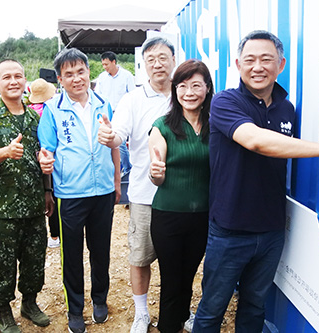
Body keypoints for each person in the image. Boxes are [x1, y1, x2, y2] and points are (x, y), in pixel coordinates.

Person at [192, 30, 319, 332]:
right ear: (237, 64)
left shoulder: (287, 109)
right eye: (250, 60)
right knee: (212, 309)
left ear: (281, 64)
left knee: (255, 306)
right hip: (229, 230)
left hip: (271, 231)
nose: (257, 67)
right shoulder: (223, 102)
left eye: (266, 59)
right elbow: (256, 141)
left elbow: (283, 151)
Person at [38, 48, 121, 333]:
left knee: (101, 251)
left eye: (81, 72)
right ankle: (75, 309)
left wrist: (117, 183)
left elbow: (113, 144)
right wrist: (44, 160)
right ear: (60, 78)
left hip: (102, 193)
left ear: (89, 72)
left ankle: (100, 299)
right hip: (70, 194)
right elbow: (46, 149)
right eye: (69, 74)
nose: (76, 79)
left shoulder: (103, 103)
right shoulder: (52, 110)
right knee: (71, 255)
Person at [97, 36, 176, 333]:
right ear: (143, 65)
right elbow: (118, 134)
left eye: (163, 57)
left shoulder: (185, 95)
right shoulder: (134, 99)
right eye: (151, 59)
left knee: (178, 259)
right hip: (145, 194)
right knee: (141, 256)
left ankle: (176, 309)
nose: (158, 64)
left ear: (173, 59)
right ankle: (141, 313)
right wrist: (109, 136)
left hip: (183, 195)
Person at [0, 59, 52, 333]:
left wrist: (47, 190)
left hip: (32, 204)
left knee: (34, 259)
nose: (13, 81)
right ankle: (4, 311)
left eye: (18, 76)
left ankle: (29, 303)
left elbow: (44, 155)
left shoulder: (34, 119)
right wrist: (4, 152)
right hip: (1, 208)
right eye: (6, 77)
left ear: (25, 81)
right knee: (2, 262)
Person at [148, 59, 213, 333]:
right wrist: (156, 172)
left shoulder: (216, 125)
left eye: (196, 85)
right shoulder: (162, 126)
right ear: (175, 90)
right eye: (182, 86)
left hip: (202, 217)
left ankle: (182, 317)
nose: (189, 92)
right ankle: (168, 327)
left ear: (208, 89)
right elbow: (156, 175)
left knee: (188, 277)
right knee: (172, 279)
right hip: (168, 217)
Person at [28, 78, 60, 248]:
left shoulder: (30, 112)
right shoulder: (52, 110)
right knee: (54, 196)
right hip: (51, 159)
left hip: (36, 161)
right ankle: (57, 234)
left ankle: (52, 236)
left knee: (43, 197)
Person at [95, 51, 136, 177]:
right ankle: (113, 169)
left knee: (120, 142)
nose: (104, 67)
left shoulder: (127, 76)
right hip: (106, 114)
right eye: (103, 65)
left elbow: (132, 94)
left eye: (106, 64)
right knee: (106, 141)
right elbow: (97, 95)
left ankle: (127, 168)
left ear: (113, 62)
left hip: (121, 112)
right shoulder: (102, 77)